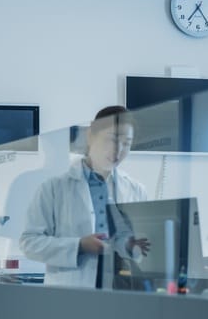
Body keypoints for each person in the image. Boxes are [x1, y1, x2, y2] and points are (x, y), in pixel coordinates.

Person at [20, 105, 149, 288]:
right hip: (72, 290)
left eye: (126, 143)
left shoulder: (136, 189)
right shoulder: (53, 188)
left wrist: (130, 245)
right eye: (111, 140)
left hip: (120, 289)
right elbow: (29, 242)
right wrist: (79, 245)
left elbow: (134, 242)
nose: (118, 150)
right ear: (91, 136)